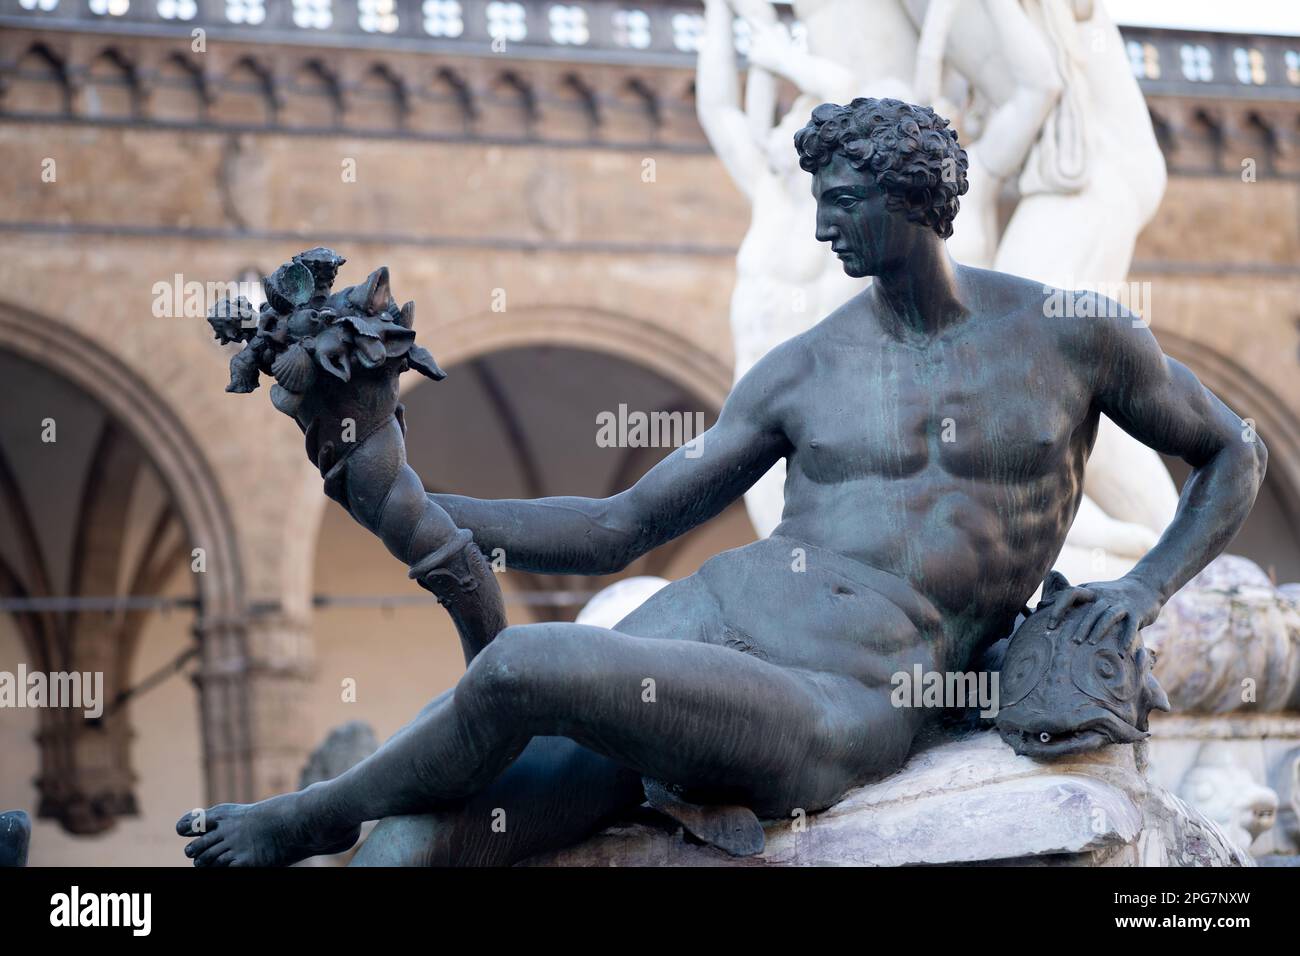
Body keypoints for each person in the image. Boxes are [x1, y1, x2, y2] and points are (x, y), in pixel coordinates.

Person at [178, 98, 1264, 867]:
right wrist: (401, 499)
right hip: (701, 623)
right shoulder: (802, 366)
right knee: (420, 837)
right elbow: (618, 524)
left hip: (845, 695)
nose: (821, 224)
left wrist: (1140, 586)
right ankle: (344, 830)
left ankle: (312, 812)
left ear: (910, 196)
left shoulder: (1068, 337)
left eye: (841, 200)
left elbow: (1234, 452)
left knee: (523, 662)